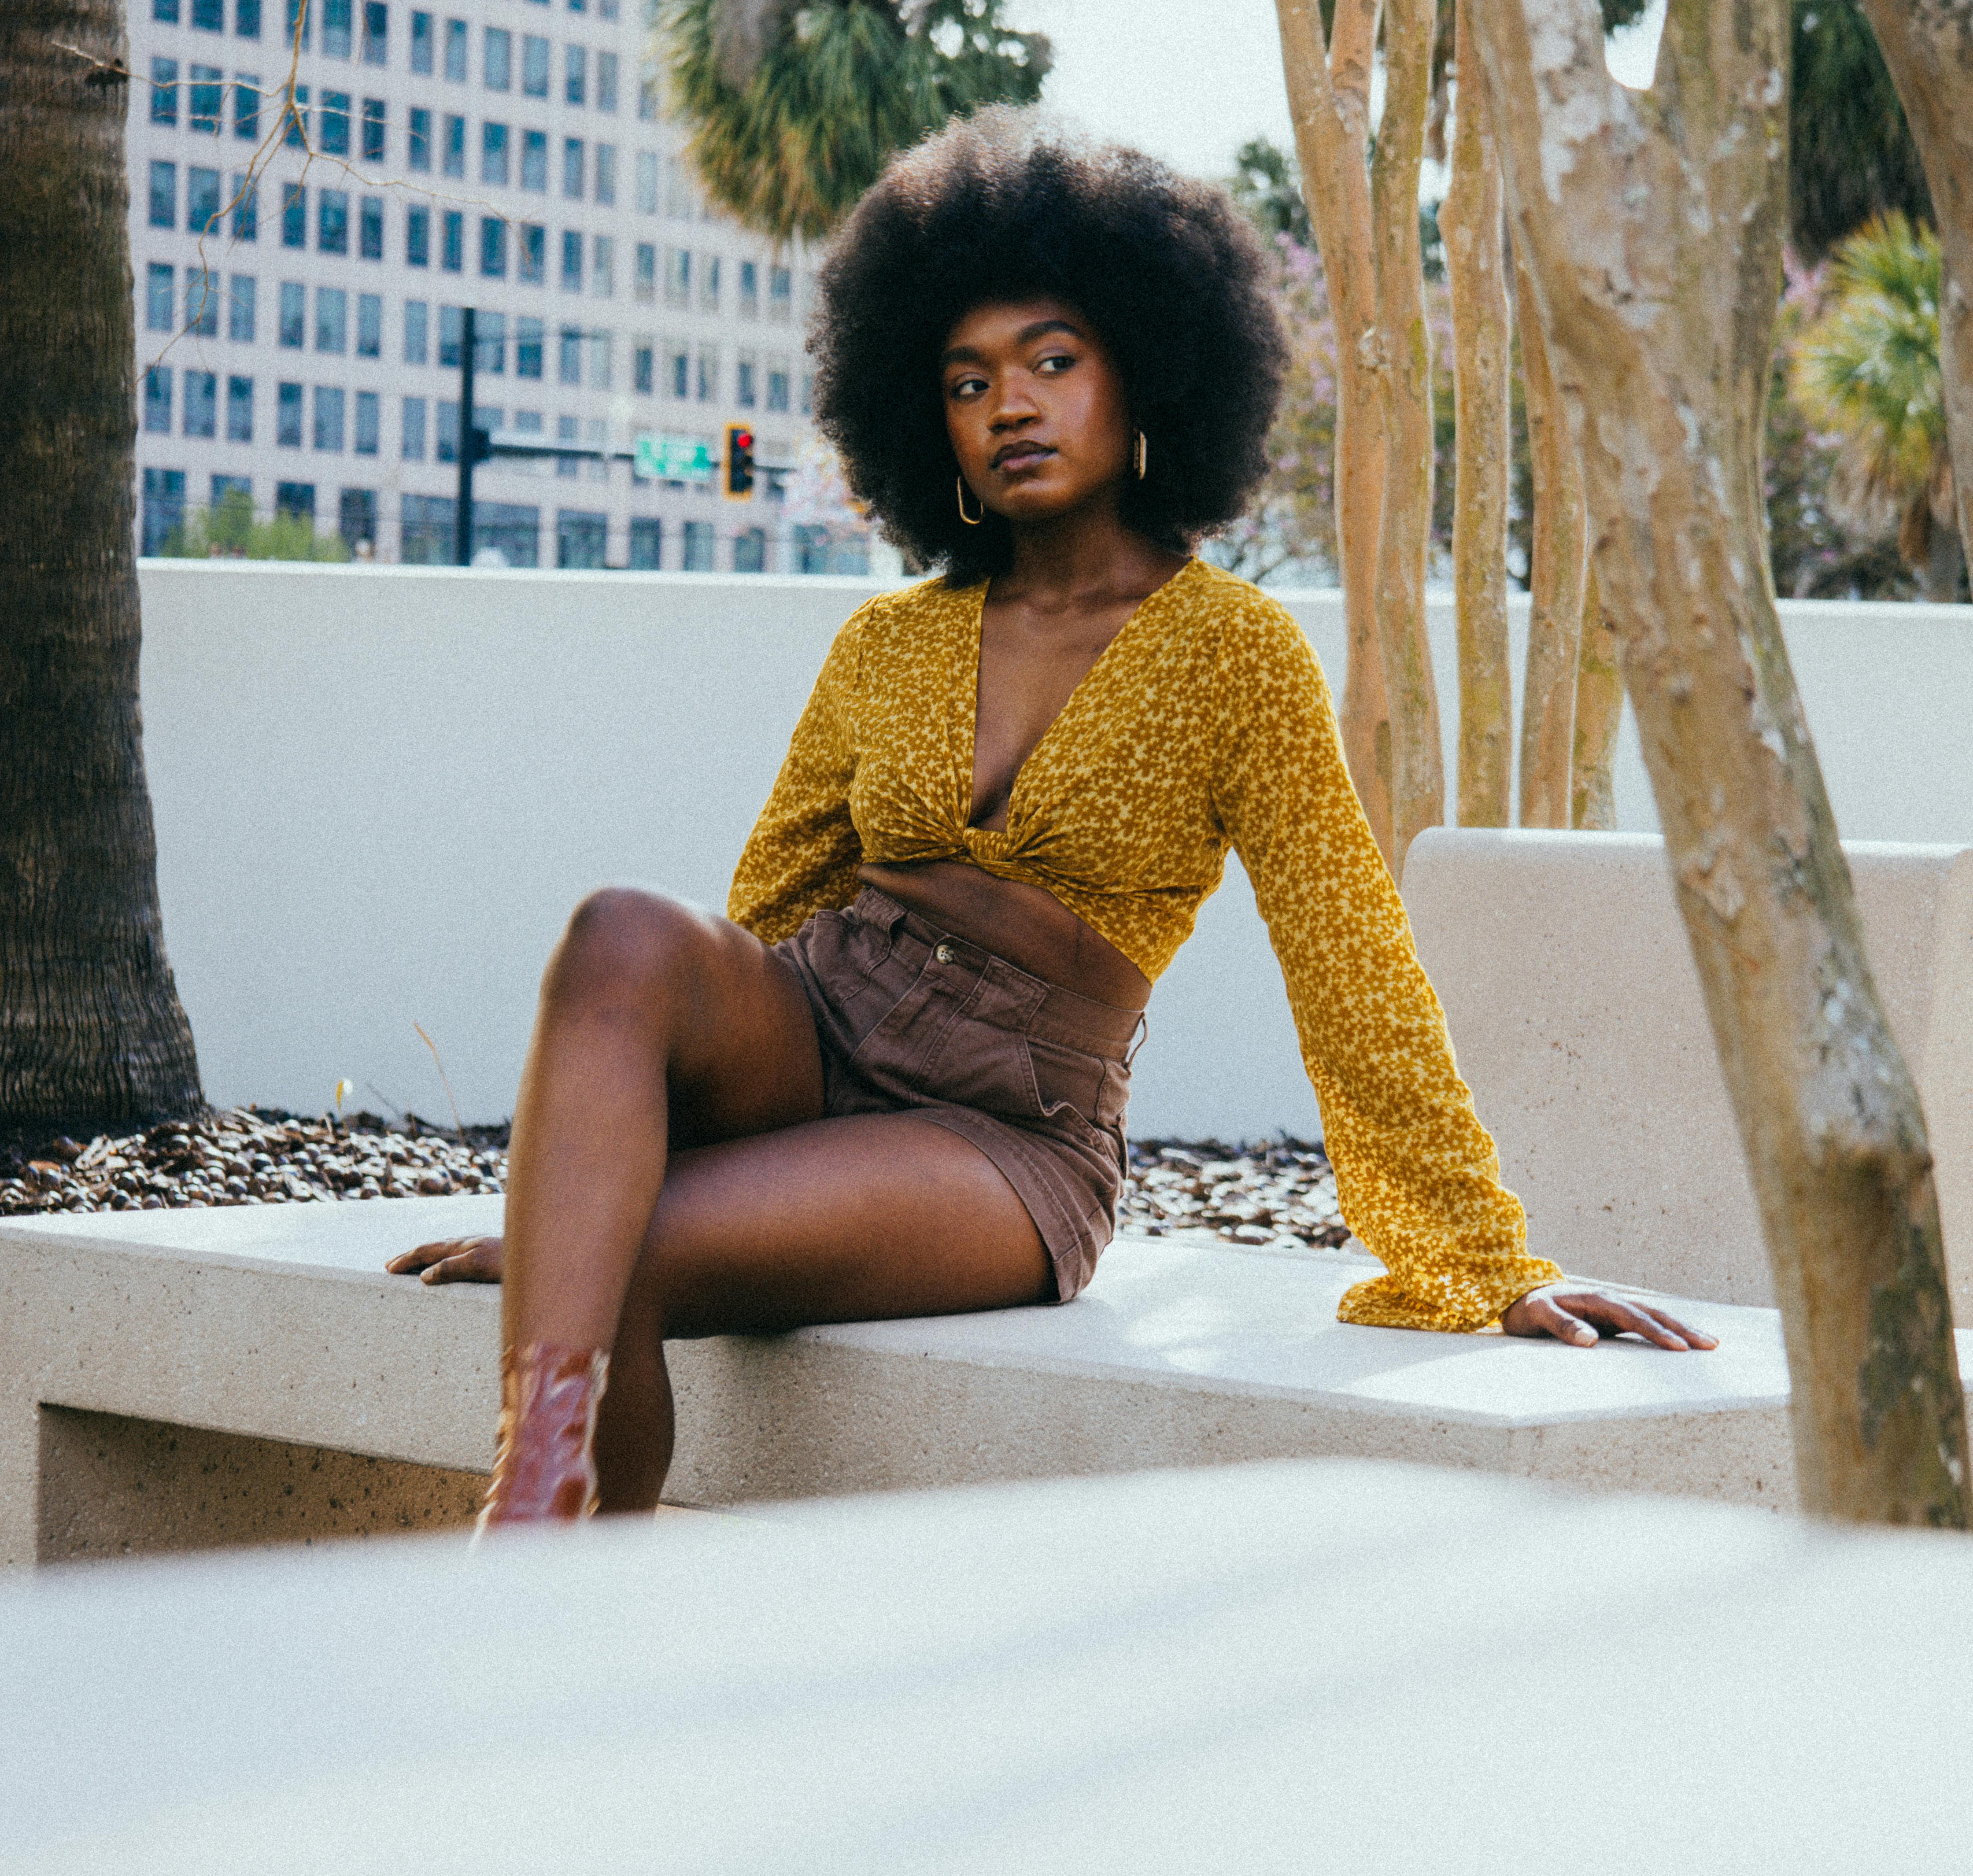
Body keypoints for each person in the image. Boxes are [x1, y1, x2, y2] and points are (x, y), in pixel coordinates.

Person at [389, 118, 1713, 1525]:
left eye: (1051, 362)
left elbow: (1351, 960)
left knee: (630, 1249)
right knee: (624, 932)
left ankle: (547, 1572)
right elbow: (761, 920)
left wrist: (1487, 1258)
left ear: (1144, 376)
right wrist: (567, 1186)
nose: (1009, 405)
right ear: (928, 424)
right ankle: (529, 1505)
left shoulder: (1231, 653)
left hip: (999, 1130)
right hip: (819, 1024)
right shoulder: (888, 647)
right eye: (968, 382)